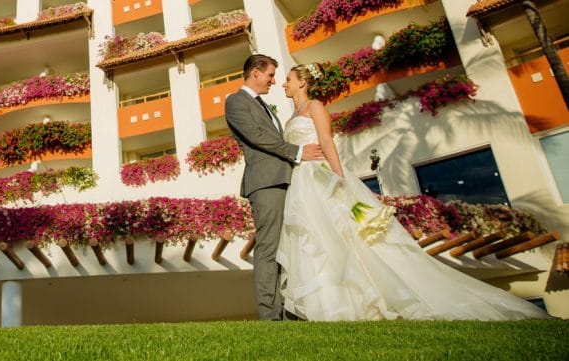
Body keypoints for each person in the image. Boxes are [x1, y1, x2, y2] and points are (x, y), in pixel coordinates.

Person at [275, 63, 550, 320]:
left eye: (288, 79)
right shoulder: (291, 117)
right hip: (301, 181)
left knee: (341, 237)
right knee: (314, 239)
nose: (284, 84)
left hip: (321, 176)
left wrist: (340, 179)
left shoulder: (315, 106)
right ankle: (330, 305)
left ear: (303, 83)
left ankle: (366, 299)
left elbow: (326, 141)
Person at [225, 54, 325, 321]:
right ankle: (270, 314)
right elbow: (257, 137)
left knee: (285, 247)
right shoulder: (235, 101)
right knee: (269, 247)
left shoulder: (263, 105)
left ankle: (288, 308)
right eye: (270, 75)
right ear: (255, 72)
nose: (273, 81)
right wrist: (298, 152)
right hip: (266, 182)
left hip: (284, 179)